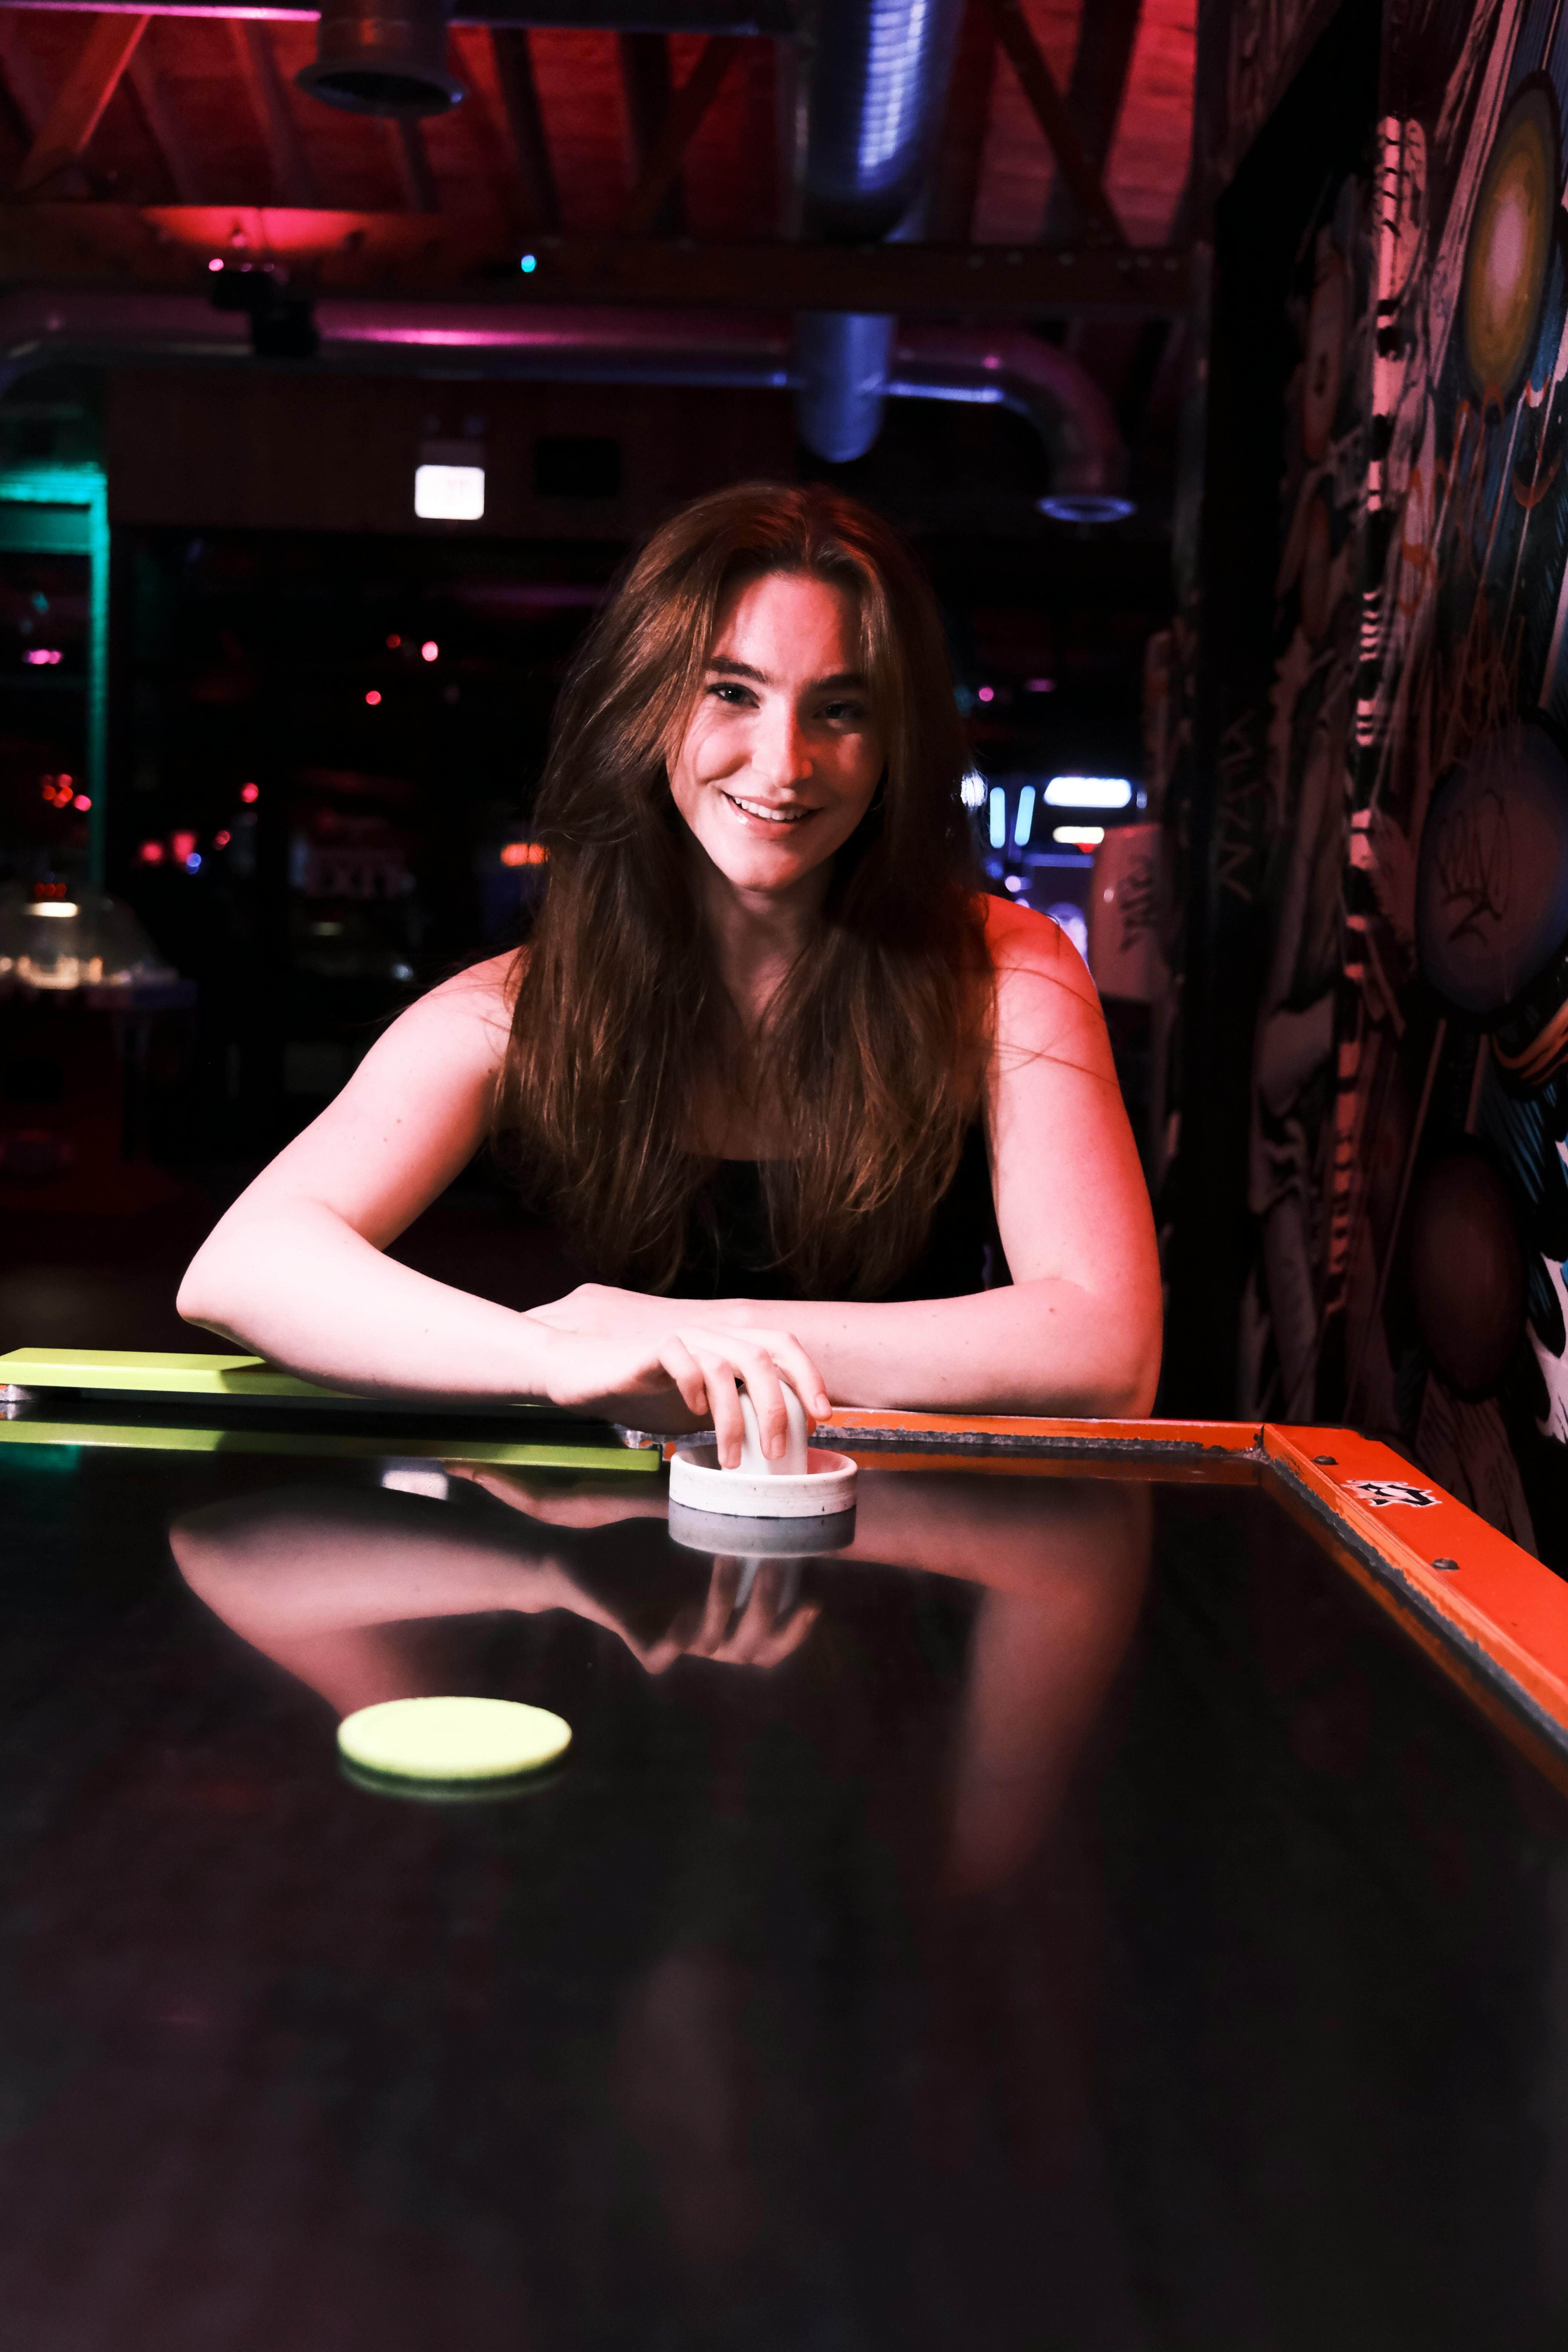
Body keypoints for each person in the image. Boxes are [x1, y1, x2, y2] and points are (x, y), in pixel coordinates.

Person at [178, 483, 1161, 1459]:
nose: (784, 764)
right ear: (649, 701)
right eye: (732, 692)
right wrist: (548, 1359)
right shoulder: (525, 1005)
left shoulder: (1006, 966)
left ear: (896, 744)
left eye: (841, 709)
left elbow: (1110, 1349)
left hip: (911, 1545)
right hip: (631, 1562)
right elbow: (244, 1267)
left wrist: (688, 1337)